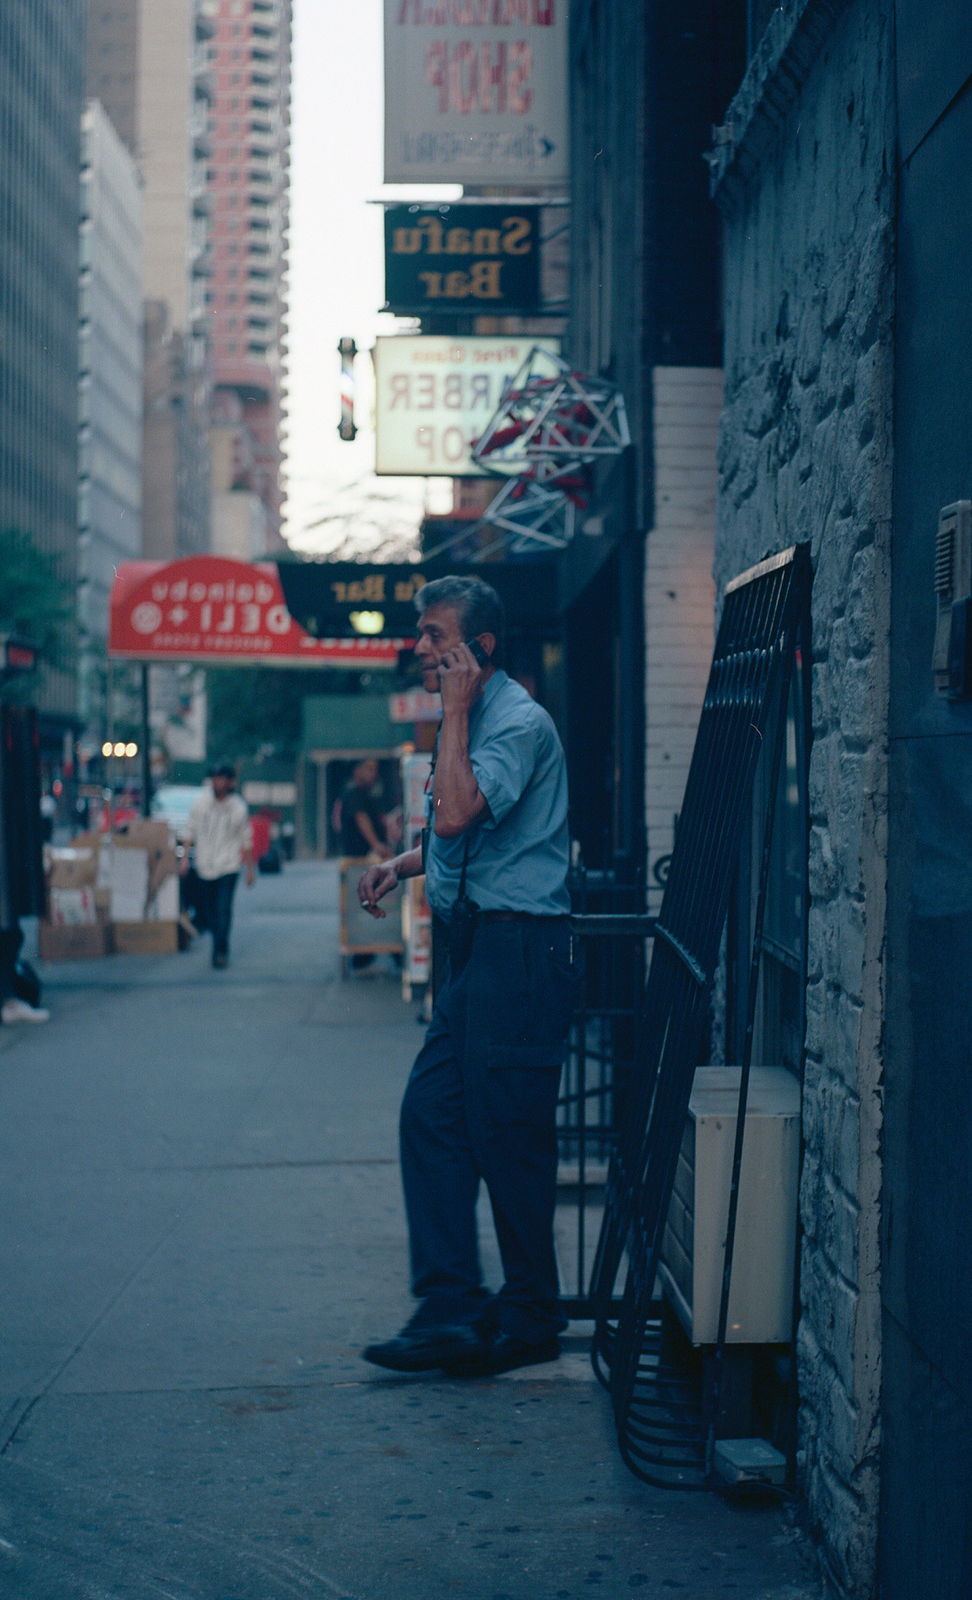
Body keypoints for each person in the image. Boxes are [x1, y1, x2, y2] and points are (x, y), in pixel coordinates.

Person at [356, 575, 578, 1378]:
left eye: (435, 636)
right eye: (419, 633)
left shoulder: (513, 720)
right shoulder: (477, 720)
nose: (418, 647)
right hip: (479, 951)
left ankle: (529, 1315)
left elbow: (457, 812)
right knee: (432, 1118)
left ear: (479, 649)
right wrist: (402, 864)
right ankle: (450, 1307)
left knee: (508, 1138)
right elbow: (457, 833)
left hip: (518, 954)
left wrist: (453, 712)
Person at [182, 762, 254, 969]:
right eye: (215, 778)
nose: (218, 783)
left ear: (230, 782)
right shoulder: (201, 803)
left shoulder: (238, 807)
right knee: (210, 910)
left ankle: (220, 951)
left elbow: (246, 839)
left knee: (223, 909)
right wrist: (185, 858)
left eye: (222, 778)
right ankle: (218, 943)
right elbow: (190, 831)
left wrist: (250, 869)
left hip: (228, 865)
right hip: (205, 864)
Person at [338, 758, 389, 859]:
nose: (374, 774)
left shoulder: (367, 794)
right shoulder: (353, 793)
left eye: (375, 770)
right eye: (370, 769)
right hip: (358, 858)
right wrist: (376, 845)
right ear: (357, 771)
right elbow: (361, 819)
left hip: (366, 856)